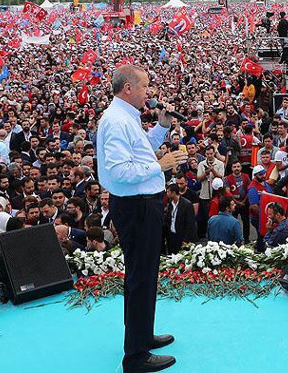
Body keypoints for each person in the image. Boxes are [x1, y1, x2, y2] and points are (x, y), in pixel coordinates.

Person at [96, 65, 185, 372]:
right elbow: (122, 171)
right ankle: (136, 356)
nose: (150, 92)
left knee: (143, 275)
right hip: (136, 206)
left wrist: (162, 126)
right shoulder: (117, 121)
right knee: (140, 277)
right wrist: (162, 165)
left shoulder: (125, 116)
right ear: (129, 89)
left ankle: (142, 336)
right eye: (145, 86)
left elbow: (141, 151)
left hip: (141, 204)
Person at [163, 184, 197, 254]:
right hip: (171, 237)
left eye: (168, 192)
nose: (167, 194)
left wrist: (186, 240)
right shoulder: (170, 204)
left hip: (181, 237)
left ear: (174, 193)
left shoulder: (187, 205)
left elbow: (190, 223)